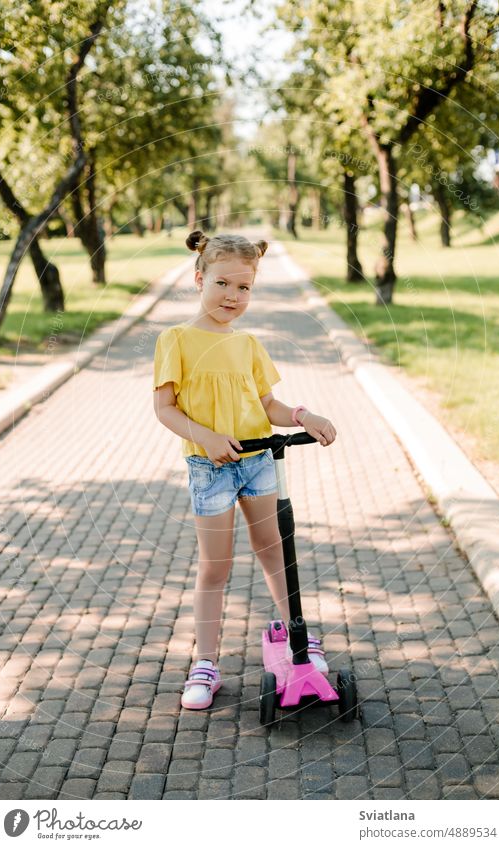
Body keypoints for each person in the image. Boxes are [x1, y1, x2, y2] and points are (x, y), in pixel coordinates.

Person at [153, 230, 337, 710]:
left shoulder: (249, 343)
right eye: (222, 284)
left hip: (257, 462)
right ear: (199, 279)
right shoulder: (176, 340)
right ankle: (206, 663)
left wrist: (303, 416)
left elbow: (268, 404)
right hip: (209, 467)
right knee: (216, 566)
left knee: (274, 552)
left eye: (244, 287)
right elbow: (165, 409)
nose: (233, 296)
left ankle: (300, 640)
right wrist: (208, 438)